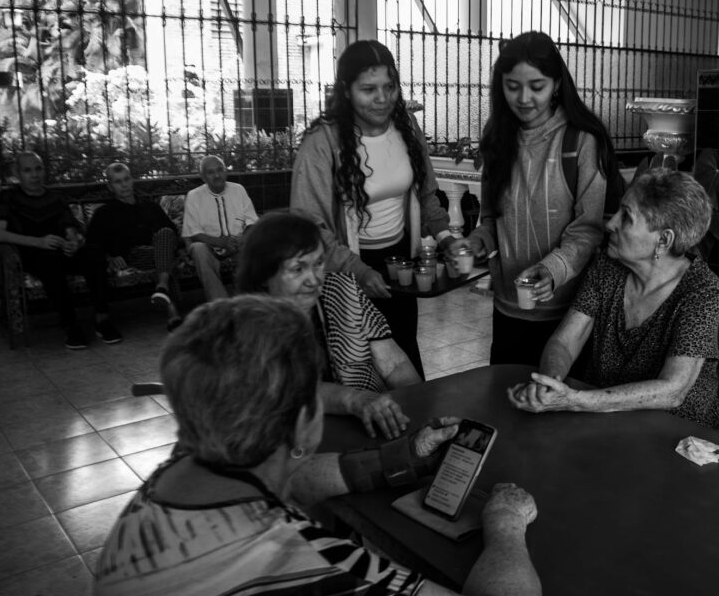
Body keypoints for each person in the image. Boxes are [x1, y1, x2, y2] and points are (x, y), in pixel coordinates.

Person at [93, 295, 541, 596]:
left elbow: (296, 479)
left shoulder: (176, 474)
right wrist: (505, 526)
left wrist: (402, 458)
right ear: (303, 421)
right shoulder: (316, 566)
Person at [507, 169, 719, 430]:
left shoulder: (701, 290)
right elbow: (566, 341)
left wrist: (577, 401)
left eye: (627, 217)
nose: (610, 224)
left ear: (663, 240)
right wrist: (549, 384)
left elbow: (673, 390)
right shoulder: (608, 266)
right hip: (607, 420)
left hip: (677, 434)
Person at [291, 39, 454, 379]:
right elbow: (309, 224)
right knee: (360, 360)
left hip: (399, 261)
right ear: (346, 91)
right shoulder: (322, 142)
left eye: (389, 87)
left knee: (403, 346)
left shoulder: (406, 126)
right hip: (345, 267)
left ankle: (415, 410)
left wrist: (446, 237)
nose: (382, 98)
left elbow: (426, 190)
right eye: (368, 89)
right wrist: (357, 270)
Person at [451, 31, 614, 367]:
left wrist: (552, 270)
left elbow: (588, 230)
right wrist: (478, 241)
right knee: (505, 393)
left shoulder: (580, 141)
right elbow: (492, 218)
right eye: (512, 86)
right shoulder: (497, 139)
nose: (524, 98)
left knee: (556, 394)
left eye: (536, 86)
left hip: (568, 314)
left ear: (556, 85)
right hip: (508, 307)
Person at [237, 211, 420, 439]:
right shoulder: (248, 323)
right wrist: (354, 399)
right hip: (300, 439)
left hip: (374, 422)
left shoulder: (342, 291)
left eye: (318, 264)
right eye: (298, 269)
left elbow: (394, 364)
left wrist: (418, 406)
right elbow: (287, 388)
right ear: (264, 274)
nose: (314, 280)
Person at [0, 151, 122, 349]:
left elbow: (71, 230)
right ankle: (70, 325)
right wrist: (37, 242)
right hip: (32, 253)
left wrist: (73, 243)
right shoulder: (7, 198)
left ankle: (102, 319)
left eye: (38, 169)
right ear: (17, 174)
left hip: (62, 250)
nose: (34, 175)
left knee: (94, 254)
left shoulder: (55, 198)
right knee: (49, 261)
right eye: (28, 170)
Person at [86, 162, 183, 330]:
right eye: (118, 181)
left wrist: (178, 248)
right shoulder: (105, 213)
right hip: (134, 255)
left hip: (161, 249)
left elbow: (172, 231)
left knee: (165, 236)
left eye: (126, 179)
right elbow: (93, 242)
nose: (124, 185)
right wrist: (110, 257)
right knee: (164, 259)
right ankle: (170, 307)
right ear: (110, 186)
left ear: (132, 180)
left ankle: (163, 289)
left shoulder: (150, 206)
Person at [181, 155, 259, 300]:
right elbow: (194, 233)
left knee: (255, 243)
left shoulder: (238, 190)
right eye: (210, 172)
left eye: (220, 170)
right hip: (209, 247)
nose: (217, 175)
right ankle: (221, 303)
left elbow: (252, 222)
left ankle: (246, 300)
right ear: (203, 177)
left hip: (237, 244)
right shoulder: (194, 196)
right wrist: (222, 242)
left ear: (225, 171)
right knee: (198, 249)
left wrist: (242, 239)